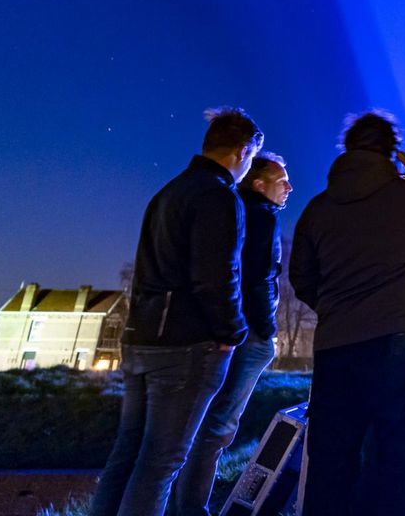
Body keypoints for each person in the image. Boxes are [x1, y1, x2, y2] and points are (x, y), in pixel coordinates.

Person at [291, 110, 405, 516]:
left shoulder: (316, 209)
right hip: (398, 346)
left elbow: (301, 277)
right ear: (391, 151)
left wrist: (333, 308)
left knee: (330, 461)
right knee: (400, 459)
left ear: (348, 149)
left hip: (334, 349)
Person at [89, 108, 262, 516]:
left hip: (141, 340)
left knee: (128, 454)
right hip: (186, 346)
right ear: (241, 152)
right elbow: (216, 276)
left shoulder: (168, 192)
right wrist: (233, 331)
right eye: (252, 158)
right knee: (161, 462)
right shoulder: (219, 197)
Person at [173, 152, 293, 515]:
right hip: (247, 333)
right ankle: (193, 508)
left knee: (201, 424)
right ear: (259, 184)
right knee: (219, 426)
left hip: (223, 329)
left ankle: (179, 504)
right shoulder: (262, 215)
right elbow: (257, 276)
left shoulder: (233, 211)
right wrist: (266, 330)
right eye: (281, 180)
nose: (289, 187)